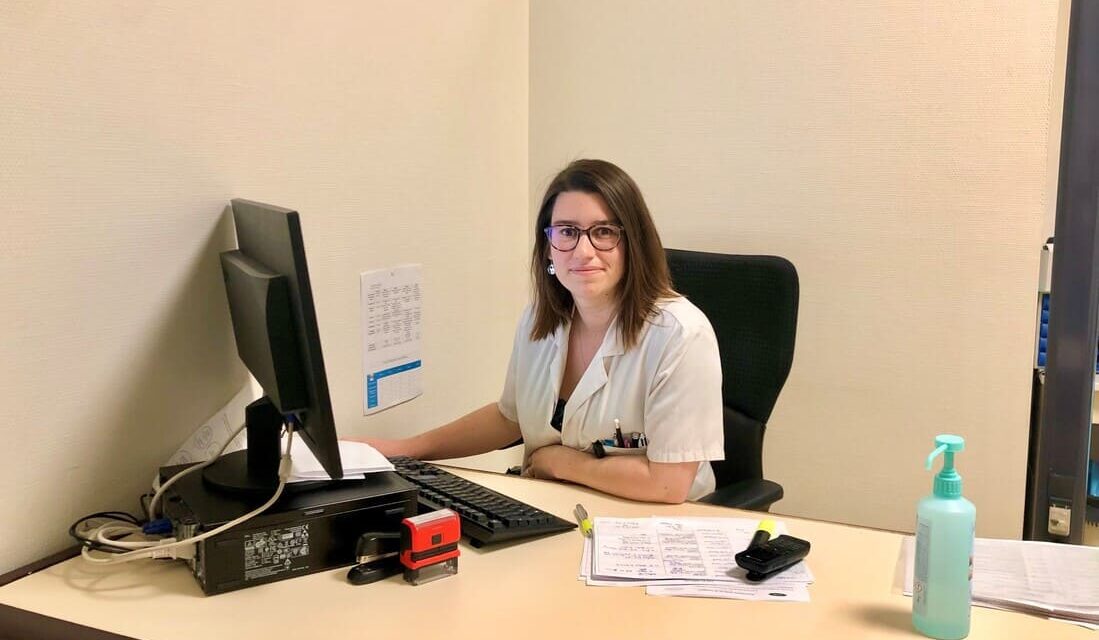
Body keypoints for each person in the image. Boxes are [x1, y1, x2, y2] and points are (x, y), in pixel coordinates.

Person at [363, 159, 724, 503]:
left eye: (603, 232)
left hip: (653, 524)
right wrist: (408, 450)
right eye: (567, 232)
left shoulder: (679, 335)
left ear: (634, 244)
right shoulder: (541, 318)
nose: (583, 251)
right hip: (559, 505)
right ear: (548, 248)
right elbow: (510, 417)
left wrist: (564, 463)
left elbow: (667, 484)